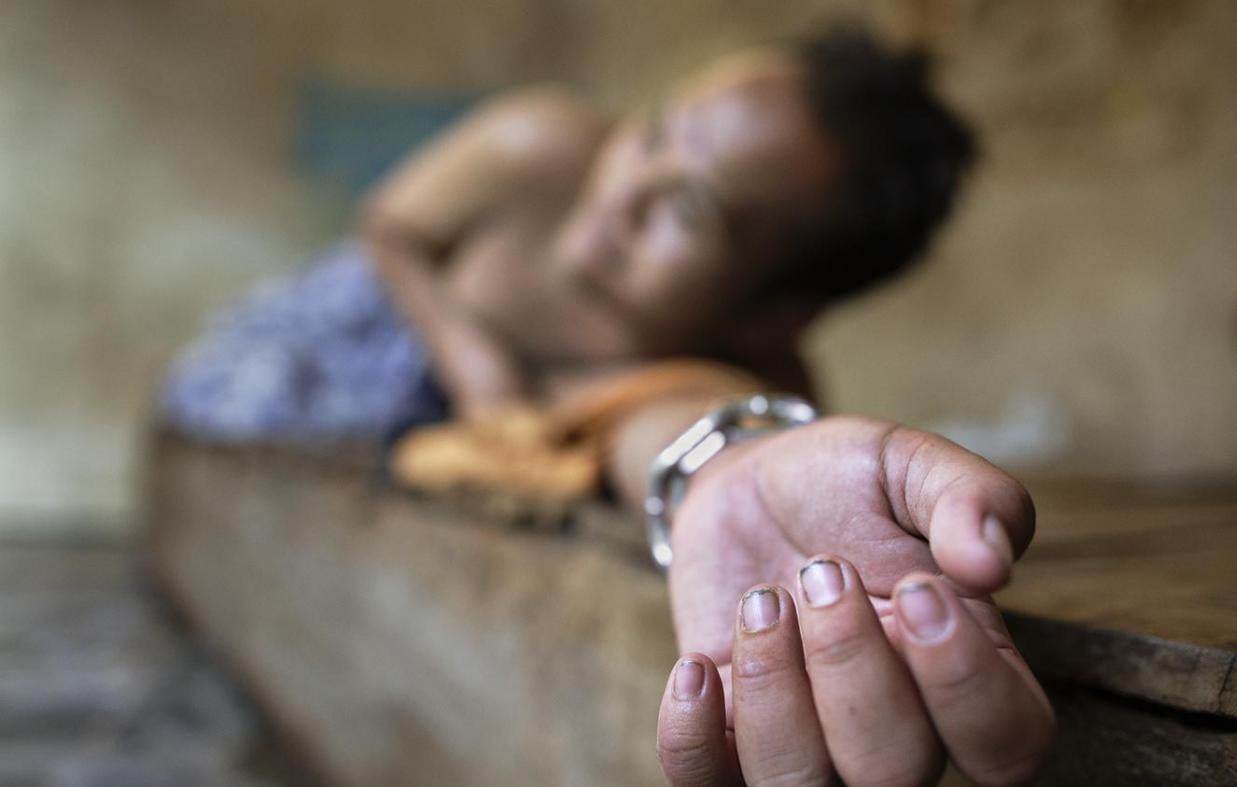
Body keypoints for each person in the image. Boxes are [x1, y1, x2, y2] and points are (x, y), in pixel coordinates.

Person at [164, 24, 1054, 785]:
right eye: (657, 133)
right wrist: (472, 356)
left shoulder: (737, 365)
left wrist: (733, 464)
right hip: (368, 330)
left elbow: (700, 419)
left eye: (691, 210)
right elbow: (391, 229)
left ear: (772, 314)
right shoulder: (535, 142)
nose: (624, 191)